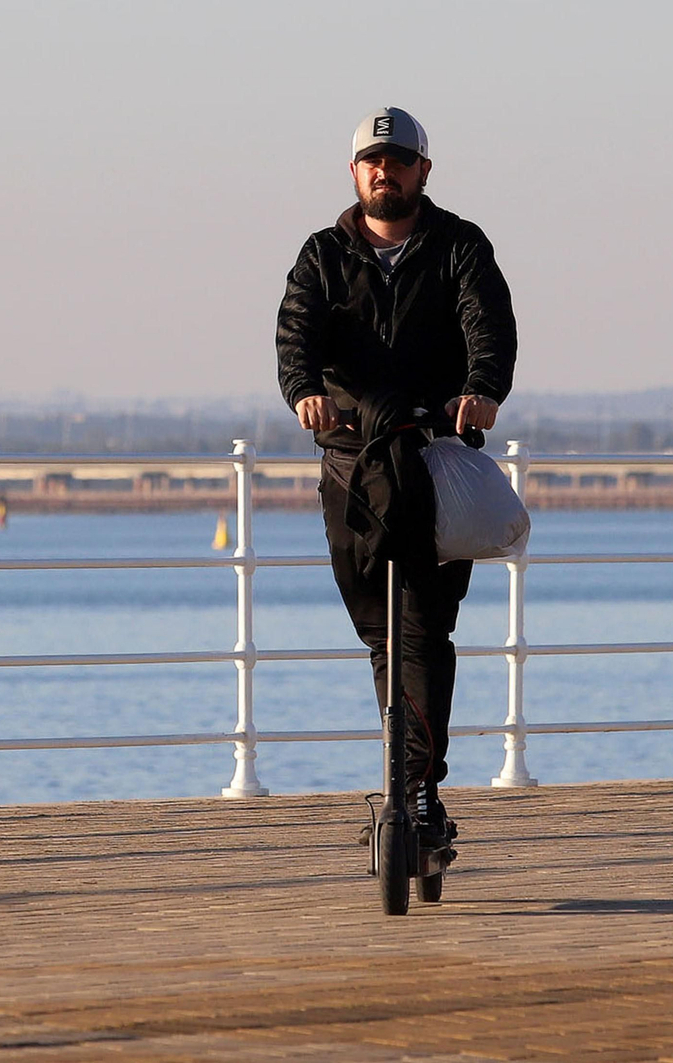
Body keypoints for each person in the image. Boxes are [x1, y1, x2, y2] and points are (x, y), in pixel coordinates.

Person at [275, 106, 517, 847]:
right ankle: (409, 785)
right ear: (355, 172)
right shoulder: (323, 255)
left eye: (400, 160)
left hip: (431, 460)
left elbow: (488, 325)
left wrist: (482, 389)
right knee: (379, 631)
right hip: (352, 465)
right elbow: (295, 336)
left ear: (423, 170)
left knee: (424, 627)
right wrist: (304, 392)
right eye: (373, 161)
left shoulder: (459, 246)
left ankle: (416, 792)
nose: (386, 171)